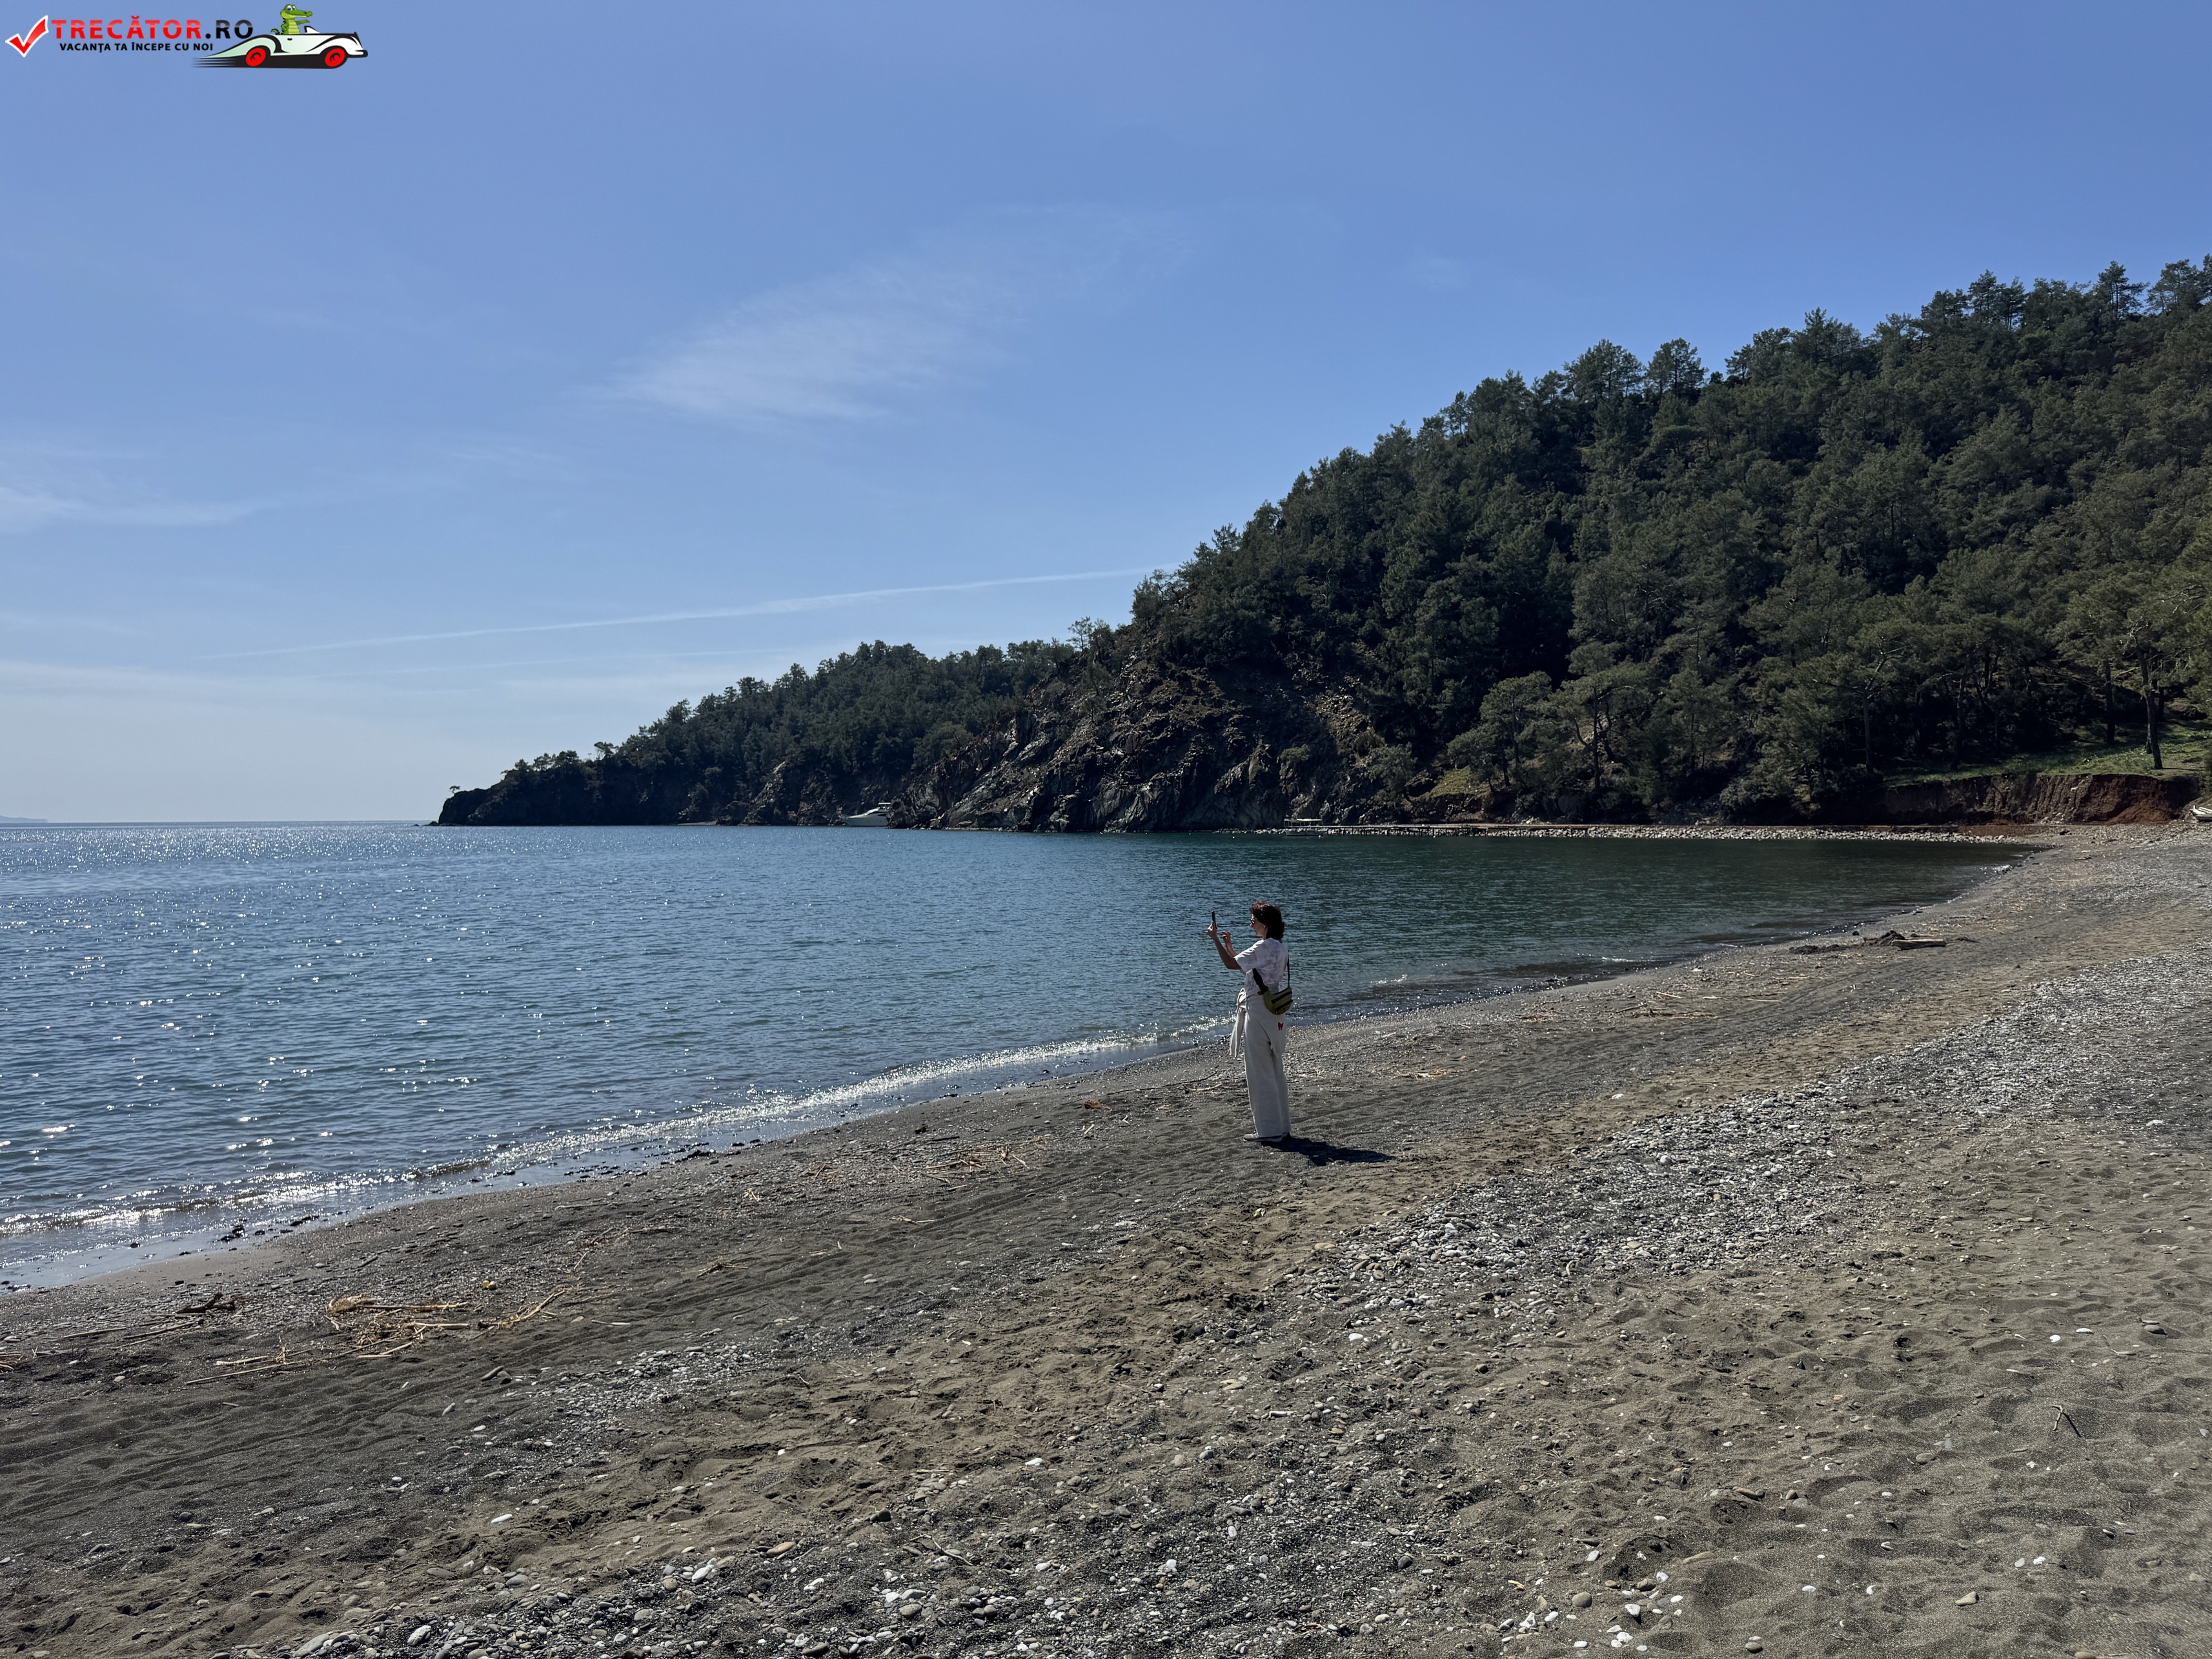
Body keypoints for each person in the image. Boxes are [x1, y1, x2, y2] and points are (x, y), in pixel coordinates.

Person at [1208, 901, 1291, 1143]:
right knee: (1274, 1070)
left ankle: (1269, 1131)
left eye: (1254, 920)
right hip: (1274, 1011)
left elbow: (1230, 965)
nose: (1251, 924)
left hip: (1258, 1011)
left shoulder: (1263, 946)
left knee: (1259, 1073)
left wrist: (1215, 939)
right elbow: (1251, 970)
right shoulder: (1280, 947)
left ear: (1265, 923)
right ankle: (1282, 1127)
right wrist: (1231, 948)